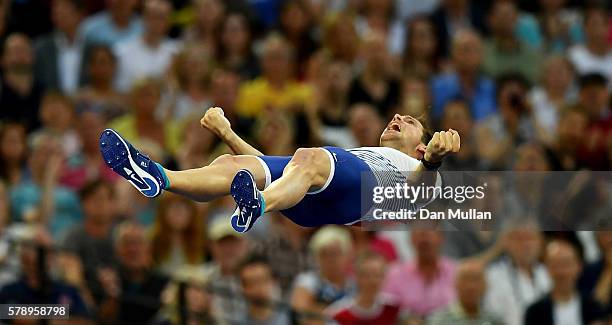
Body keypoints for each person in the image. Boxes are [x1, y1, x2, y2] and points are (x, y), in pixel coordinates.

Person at [100, 99, 459, 232]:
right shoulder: (362, 155)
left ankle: (259, 205)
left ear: (421, 145)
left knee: (309, 157)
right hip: (310, 207)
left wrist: (433, 159)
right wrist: (228, 133)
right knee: (236, 163)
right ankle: (160, 176)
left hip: (359, 196)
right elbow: (273, 167)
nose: (397, 116)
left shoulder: (414, 165)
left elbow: (418, 190)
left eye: (409, 121)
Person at [525, 239, 605, 324]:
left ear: (579, 266)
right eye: (555, 265)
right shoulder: (535, 312)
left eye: (566, 264)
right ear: (546, 268)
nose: (561, 271)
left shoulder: (593, 308)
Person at [382, 229, 456, 320]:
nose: (424, 240)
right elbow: (388, 311)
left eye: (429, 235)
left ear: (441, 238)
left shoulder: (455, 273)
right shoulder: (394, 274)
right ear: (411, 239)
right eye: (420, 235)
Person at [327, 252, 400, 325]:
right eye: (366, 275)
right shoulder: (337, 313)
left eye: (377, 275)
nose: (373, 281)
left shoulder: (393, 308)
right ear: (356, 277)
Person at [428, 260, 502, 325]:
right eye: (466, 279)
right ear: (455, 284)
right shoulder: (438, 321)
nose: (471, 286)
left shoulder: (494, 321)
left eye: (476, 279)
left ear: (485, 286)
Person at [238, 254, 290, 325]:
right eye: (250, 283)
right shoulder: (238, 321)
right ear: (243, 288)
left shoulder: (291, 316)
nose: (257, 288)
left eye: (262, 280)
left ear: (273, 281)